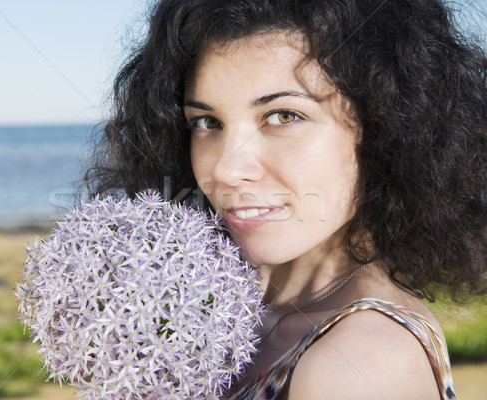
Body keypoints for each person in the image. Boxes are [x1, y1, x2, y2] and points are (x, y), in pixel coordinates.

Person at [85, 0, 487, 398]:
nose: (225, 169)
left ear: (386, 126)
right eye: (207, 122)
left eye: (283, 116)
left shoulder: (361, 365)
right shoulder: (206, 305)